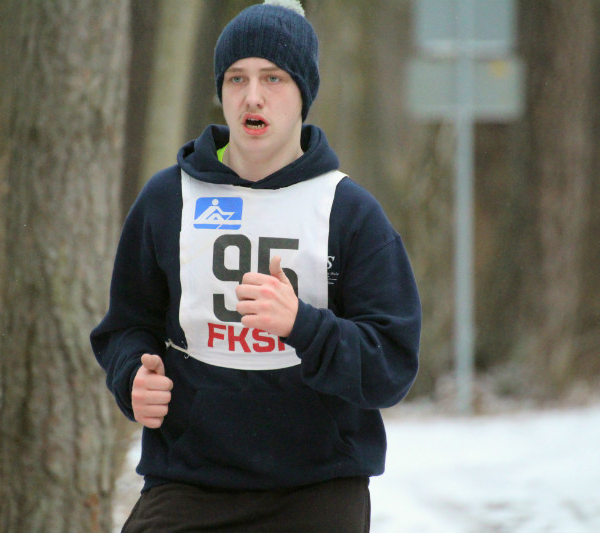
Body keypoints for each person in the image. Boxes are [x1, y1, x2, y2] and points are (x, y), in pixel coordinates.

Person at [91, 1, 421, 531]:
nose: (252, 96)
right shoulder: (168, 199)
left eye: (273, 77)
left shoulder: (348, 211)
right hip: (190, 479)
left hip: (318, 485)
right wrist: (132, 376)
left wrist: (303, 326)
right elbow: (126, 325)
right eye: (236, 78)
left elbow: (392, 368)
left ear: (303, 92)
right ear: (221, 91)